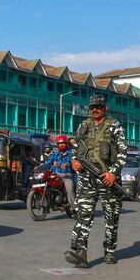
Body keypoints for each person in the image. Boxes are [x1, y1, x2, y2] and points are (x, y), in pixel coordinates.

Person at [64, 94, 128, 268]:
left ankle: (109, 251)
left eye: (98, 106)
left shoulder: (115, 127)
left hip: (107, 178)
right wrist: (74, 161)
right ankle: (80, 254)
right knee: (83, 216)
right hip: (86, 178)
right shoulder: (83, 126)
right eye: (92, 106)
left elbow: (123, 153)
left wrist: (113, 173)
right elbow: (75, 148)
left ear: (105, 108)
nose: (94, 109)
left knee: (112, 218)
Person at [42, 135, 76, 211]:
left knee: (69, 189)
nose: (61, 145)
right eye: (60, 143)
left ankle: (74, 209)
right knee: (46, 185)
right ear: (57, 145)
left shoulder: (71, 153)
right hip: (55, 175)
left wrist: (62, 164)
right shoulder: (55, 153)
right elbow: (49, 162)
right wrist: (39, 167)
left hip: (67, 175)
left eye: (63, 143)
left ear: (66, 144)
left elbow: (70, 162)